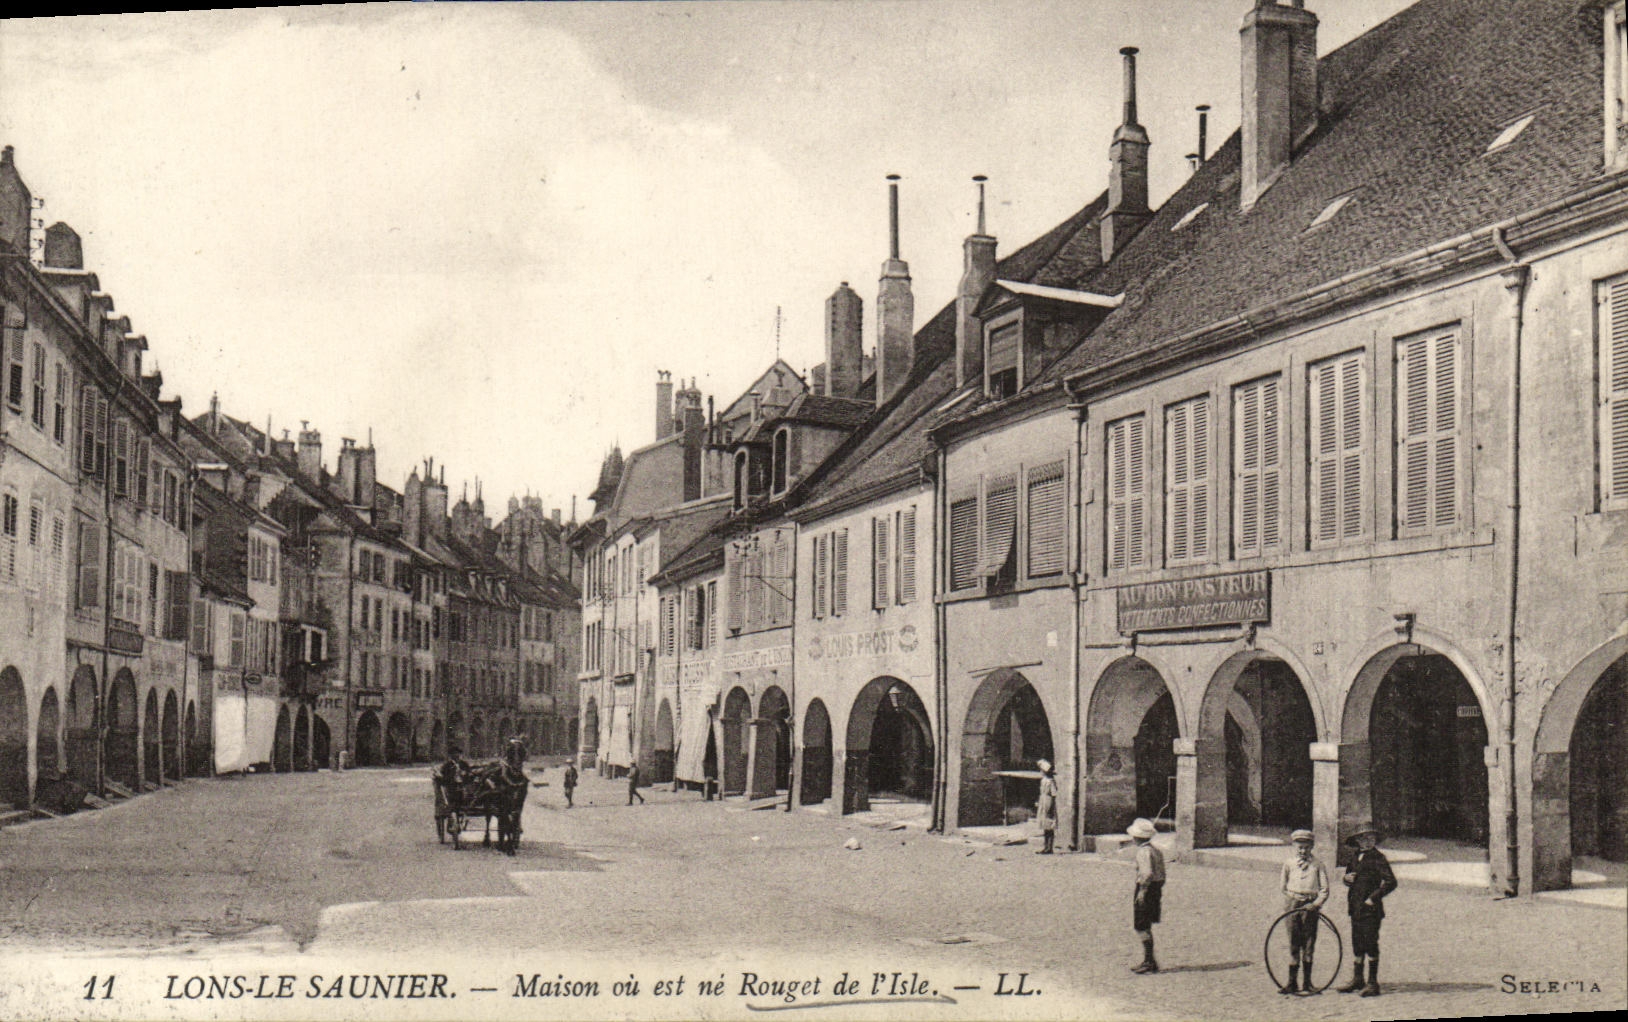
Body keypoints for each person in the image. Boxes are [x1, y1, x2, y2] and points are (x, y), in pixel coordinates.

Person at [1338, 823, 1397, 998]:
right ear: (1357, 841)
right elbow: (1349, 876)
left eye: (1370, 838)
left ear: (1375, 840)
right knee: (1357, 942)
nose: (1366, 841)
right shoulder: (1355, 856)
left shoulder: (1379, 858)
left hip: (1371, 910)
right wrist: (1346, 878)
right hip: (1355, 907)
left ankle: (1373, 983)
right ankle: (1358, 979)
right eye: (1362, 838)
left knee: (1370, 943)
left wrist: (1373, 897)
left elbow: (1391, 882)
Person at [1279, 828, 1330, 995]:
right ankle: (1292, 982)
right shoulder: (1288, 864)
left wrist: (1315, 904)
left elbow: (1324, 889)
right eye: (1300, 847)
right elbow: (1283, 886)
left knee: (1308, 942)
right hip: (1292, 904)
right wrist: (1293, 899)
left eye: (1306, 847)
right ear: (1294, 846)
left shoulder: (1318, 865)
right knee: (1294, 941)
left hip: (1310, 906)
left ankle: (1307, 983)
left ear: (1312, 847)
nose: (1303, 851)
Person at [1128, 817, 1163, 974]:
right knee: (1146, 924)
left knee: (1141, 925)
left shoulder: (1143, 852)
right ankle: (1150, 960)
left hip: (1146, 888)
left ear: (1136, 837)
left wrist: (1142, 891)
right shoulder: (1156, 850)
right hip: (1156, 888)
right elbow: (1162, 875)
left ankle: (1149, 961)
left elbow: (1147, 873)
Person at [1034, 759, 1059, 854]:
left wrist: (1051, 807)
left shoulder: (1050, 781)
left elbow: (1053, 794)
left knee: (1049, 825)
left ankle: (1050, 847)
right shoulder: (1043, 780)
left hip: (1048, 802)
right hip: (1043, 801)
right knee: (1045, 825)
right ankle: (1045, 847)